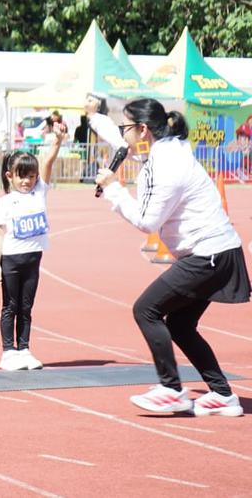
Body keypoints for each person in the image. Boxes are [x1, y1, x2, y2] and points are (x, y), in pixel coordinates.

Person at [97, 98, 249, 416]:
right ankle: (223, 395)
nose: (123, 134)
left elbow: (147, 222)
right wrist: (96, 120)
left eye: (125, 128)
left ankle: (171, 389)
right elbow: (132, 150)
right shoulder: (168, 148)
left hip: (208, 254)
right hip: (216, 251)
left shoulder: (165, 164)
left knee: (146, 310)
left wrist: (113, 189)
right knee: (180, 324)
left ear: (142, 130)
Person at [0, 127, 64, 371]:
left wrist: (58, 141)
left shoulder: (39, 192)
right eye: (21, 176)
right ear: (9, 176)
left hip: (33, 259)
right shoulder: (4, 202)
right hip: (11, 260)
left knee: (26, 307)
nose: (27, 181)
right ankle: (7, 352)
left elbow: (48, 161)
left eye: (31, 176)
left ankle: (24, 349)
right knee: (10, 306)